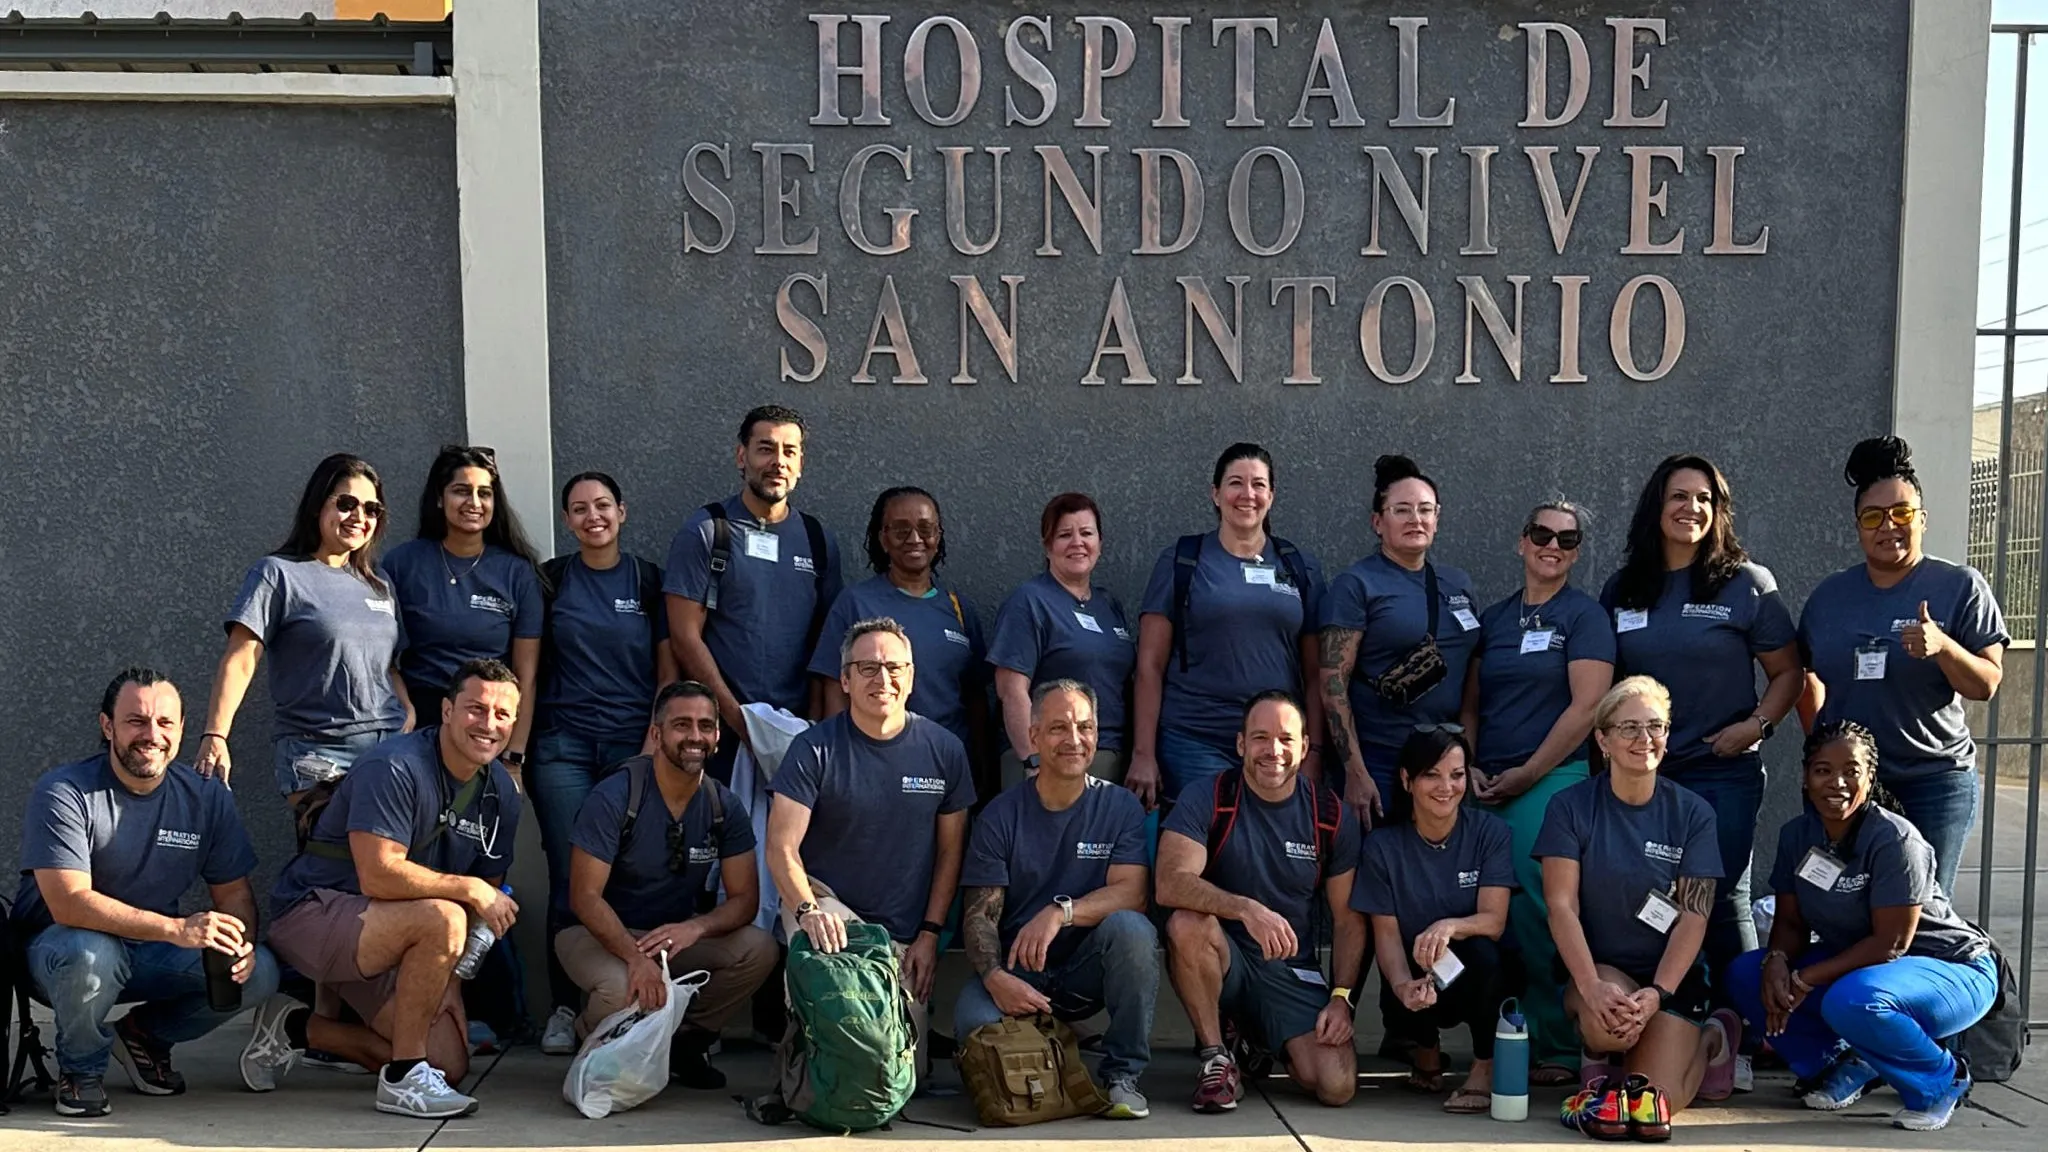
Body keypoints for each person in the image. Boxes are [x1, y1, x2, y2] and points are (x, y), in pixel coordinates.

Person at [247, 658, 525, 1119]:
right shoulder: (396, 765)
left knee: (449, 1064)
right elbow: (379, 874)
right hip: (315, 913)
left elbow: (488, 904)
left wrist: (450, 983)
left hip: (396, 932)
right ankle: (402, 1080)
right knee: (445, 915)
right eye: (476, 709)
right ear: (448, 710)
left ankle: (297, 1027)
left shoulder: (501, 792)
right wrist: (469, 888)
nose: (488, 724)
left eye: (502, 715)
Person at [14, 668, 282, 1117]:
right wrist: (176, 928)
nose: (151, 735)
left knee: (259, 973)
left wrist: (241, 944)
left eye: (164, 723)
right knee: (92, 954)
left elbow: (233, 894)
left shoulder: (207, 797)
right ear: (107, 726)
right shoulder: (65, 791)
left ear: (180, 729)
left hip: (153, 949)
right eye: (136, 721)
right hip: (61, 950)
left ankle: (142, 1038)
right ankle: (80, 1071)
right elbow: (68, 901)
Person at [1601, 454, 1799, 1029]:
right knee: (1653, 898)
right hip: (1646, 774)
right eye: (1679, 497)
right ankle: (1674, 1020)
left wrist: (1756, 726)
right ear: (1655, 508)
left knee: (1712, 897)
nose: (1692, 508)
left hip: (1721, 772)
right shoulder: (1625, 587)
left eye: (1704, 499)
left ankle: (1739, 1029)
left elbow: (1788, 673)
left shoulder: (1747, 584)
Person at [1725, 722, 1996, 1132]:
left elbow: (1891, 944)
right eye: (1822, 770)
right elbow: (1791, 922)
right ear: (1804, 776)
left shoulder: (1895, 839)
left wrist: (1803, 978)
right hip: (1866, 971)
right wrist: (1778, 961)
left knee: (1853, 1000)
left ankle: (1941, 1079)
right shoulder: (1798, 835)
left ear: (1870, 777)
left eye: (1851, 771)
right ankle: (1841, 1064)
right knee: (1748, 974)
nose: (1837, 782)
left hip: (1951, 969)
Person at [768, 617, 975, 1080]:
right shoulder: (813, 749)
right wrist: (807, 911)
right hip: (828, 911)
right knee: (848, 1054)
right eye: (867, 668)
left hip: (903, 935)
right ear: (844, 680)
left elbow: (950, 855)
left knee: (905, 1080)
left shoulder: (945, 750)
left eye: (894, 668)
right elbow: (781, 846)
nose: (883, 679)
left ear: (912, 676)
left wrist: (930, 935)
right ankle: (804, 1068)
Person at [1798, 437, 2006, 894]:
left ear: (1922, 520)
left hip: (1932, 781)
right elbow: (1801, 674)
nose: (1887, 526)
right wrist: (1823, 740)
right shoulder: (1830, 597)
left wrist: (1944, 648)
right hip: (1850, 784)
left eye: (1902, 514)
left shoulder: (1959, 586)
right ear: (1857, 527)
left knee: (1921, 906)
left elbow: (1988, 682)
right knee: (1837, 899)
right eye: (1873, 517)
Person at [1539, 677, 1735, 1139]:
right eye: (1628, 728)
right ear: (1602, 739)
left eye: (1655, 727)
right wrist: (1590, 987)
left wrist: (1657, 994)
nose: (1643, 739)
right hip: (1602, 970)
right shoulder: (1569, 807)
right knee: (1609, 1029)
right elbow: (1560, 905)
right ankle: (1603, 1050)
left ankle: (1712, 1039)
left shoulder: (1693, 813)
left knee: (1654, 1107)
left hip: (1669, 980)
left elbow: (1694, 913)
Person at [1461, 501, 1615, 1083]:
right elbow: (1471, 704)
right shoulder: (1495, 619)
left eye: (1567, 539)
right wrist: (1471, 764)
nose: (1553, 545)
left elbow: (1587, 708)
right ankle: (1508, 1037)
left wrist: (1528, 772)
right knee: (1495, 910)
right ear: (1521, 541)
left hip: (1552, 782)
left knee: (1542, 907)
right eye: (1541, 534)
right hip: (1489, 784)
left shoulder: (1586, 617)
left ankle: (1557, 1044)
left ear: (1576, 552)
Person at [556, 681, 774, 1088]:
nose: (695, 737)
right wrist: (636, 960)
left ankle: (683, 1044)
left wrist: (696, 927)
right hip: (593, 933)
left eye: (705, 726)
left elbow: (745, 900)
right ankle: (589, 1033)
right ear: (656, 734)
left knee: (758, 949)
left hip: (669, 939)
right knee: (625, 988)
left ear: (717, 736)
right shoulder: (617, 794)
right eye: (682, 725)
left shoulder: (722, 804)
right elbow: (584, 898)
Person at [956, 680, 1157, 1119]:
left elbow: (1134, 894)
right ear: (1032, 737)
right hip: (1019, 971)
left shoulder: (1119, 806)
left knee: (1133, 930)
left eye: (1084, 727)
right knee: (972, 1022)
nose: (1074, 740)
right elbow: (979, 917)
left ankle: (1122, 1074)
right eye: (1058, 728)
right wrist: (994, 977)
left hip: (1085, 972)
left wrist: (1060, 913)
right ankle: (1056, 1048)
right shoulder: (1000, 815)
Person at [530, 470, 678, 1055]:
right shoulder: (551, 581)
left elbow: (668, 673)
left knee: (628, 874)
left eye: (603, 506)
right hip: (562, 747)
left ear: (622, 511)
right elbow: (531, 666)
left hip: (630, 749)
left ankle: (639, 996)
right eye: (579, 509)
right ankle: (567, 1007)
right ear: (567, 520)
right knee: (572, 876)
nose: (593, 517)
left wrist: (652, 743)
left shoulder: (646, 581)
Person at [1158, 691, 1363, 1113]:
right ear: (1240, 745)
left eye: (1286, 739)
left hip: (1291, 969)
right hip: (1224, 956)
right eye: (1260, 738)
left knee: (1334, 1085)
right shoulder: (1210, 797)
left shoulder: (1330, 814)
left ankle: (1254, 1039)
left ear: (1305, 748)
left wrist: (1342, 997)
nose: (1273, 751)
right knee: (1185, 923)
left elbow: (1347, 922)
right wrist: (1246, 909)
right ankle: (1216, 1055)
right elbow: (1169, 882)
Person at [194, 453, 411, 800]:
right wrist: (216, 735)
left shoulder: (380, 582)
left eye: (371, 509)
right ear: (316, 505)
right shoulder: (278, 574)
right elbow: (241, 659)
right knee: (330, 851)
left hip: (390, 748)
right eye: (347, 503)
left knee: (389, 852)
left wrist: (408, 710)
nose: (359, 517)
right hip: (319, 753)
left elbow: (389, 664)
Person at [1130, 444, 1326, 810]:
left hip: (1276, 746)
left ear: (1271, 495)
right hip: (1194, 739)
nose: (1247, 494)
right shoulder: (1181, 559)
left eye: (1258, 484)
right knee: (1199, 851)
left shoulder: (1300, 566)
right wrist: (1143, 753)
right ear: (1216, 493)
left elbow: (1316, 674)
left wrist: (1312, 751)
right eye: (1236, 483)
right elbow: (1149, 665)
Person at [665, 405, 842, 784]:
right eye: (766, 449)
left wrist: (810, 727)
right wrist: (739, 721)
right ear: (742, 456)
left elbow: (825, 646)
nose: (778, 462)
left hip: (796, 734)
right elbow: (683, 636)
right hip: (720, 735)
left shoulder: (818, 541)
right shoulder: (707, 532)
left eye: (789, 451)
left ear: (800, 464)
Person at [1353, 728, 1516, 1114]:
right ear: (1407, 780)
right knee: (1409, 965)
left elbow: (1494, 921)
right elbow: (1387, 939)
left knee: (1486, 955)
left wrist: (1449, 926)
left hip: (1474, 971)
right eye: (1431, 774)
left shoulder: (1488, 832)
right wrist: (1401, 985)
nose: (1446, 786)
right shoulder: (1382, 847)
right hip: (1419, 967)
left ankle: (1483, 1067)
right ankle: (1426, 1051)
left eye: (1457, 775)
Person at [1321, 454, 1482, 829]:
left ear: (1437, 519)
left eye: (1426, 509)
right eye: (1402, 510)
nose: (1416, 519)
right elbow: (1332, 685)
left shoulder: (1458, 584)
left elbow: (1472, 678)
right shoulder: (1357, 584)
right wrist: (1355, 772)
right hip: (1381, 758)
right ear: (1378, 522)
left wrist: (1466, 759)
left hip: (1443, 762)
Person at [809, 486, 990, 792]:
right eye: (901, 530)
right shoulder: (855, 602)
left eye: (926, 528)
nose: (915, 539)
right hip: (873, 767)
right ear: (882, 538)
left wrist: (985, 777)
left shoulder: (959, 609)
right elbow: (832, 688)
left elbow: (975, 700)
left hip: (947, 770)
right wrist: (841, 765)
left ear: (939, 535)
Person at [383, 445, 544, 787]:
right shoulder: (402, 564)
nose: (474, 502)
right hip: (417, 724)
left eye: (484, 493)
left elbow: (525, 677)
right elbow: (380, 656)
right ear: (440, 499)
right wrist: (404, 712)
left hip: (486, 728)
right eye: (461, 491)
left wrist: (514, 757)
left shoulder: (517, 573)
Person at [988, 493, 1136, 788]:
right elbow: (1011, 690)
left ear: (1100, 543)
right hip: (1049, 761)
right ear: (1047, 545)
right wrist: (1034, 763)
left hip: (1106, 756)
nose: (1077, 542)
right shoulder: (1029, 601)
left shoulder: (1108, 605)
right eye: (1064, 534)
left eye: (1086, 533)